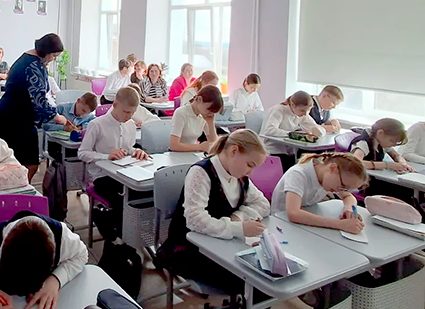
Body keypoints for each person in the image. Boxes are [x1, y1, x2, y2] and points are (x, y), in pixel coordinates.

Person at [158, 130, 270, 293]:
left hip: (221, 243)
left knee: (262, 274)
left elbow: (263, 204)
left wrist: (237, 217)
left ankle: (243, 308)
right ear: (234, 151)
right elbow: (195, 220)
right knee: (253, 280)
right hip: (189, 247)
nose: (251, 172)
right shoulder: (201, 172)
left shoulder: (239, 176)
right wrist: (238, 228)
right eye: (250, 165)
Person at [0, 34, 69, 181]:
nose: (54, 59)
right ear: (46, 51)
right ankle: (17, 189)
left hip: (12, 114)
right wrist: (57, 117)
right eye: (54, 56)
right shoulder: (34, 65)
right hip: (16, 118)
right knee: (29, 163)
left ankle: (13, 188)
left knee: (13, 162)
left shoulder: (26, 59)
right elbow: (39, 100)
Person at [77, 87, 149, 239]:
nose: (129, 116)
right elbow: (82, 153)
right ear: (115, 105)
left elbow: (129, 148)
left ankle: (126, 235)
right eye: (126, 112)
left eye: (132, 113)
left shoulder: (130, 124)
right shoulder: (97, 124)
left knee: (142, 195)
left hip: (124, 173)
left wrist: (136, 151)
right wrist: (106, 156)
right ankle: (120, 238)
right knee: (121, 200)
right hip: (101, 176)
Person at [272, 152, 369, 234]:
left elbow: (348, 197)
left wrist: (349, 209)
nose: (340, 190)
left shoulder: (328, 177)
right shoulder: (298, 174)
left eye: (346, 188)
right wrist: (339, 224)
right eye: (342, 185)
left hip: (304, 225)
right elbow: (294, 213)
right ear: (332, 168)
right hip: (281, 225)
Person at [260, 91, 323, 170]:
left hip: (290, 151)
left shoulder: (302, 114)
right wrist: (293, 134)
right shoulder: (279, 110)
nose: (305, 114)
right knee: (295, 167)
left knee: (312, 160)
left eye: (308, 111)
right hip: (273, 150)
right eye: (302, 110)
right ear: (292, 105)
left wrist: (318, 130)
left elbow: (316, 127)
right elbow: (269, 130)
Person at [170, 85, 223, 153]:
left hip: (193, 153)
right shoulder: (181, 113)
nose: (210, 114)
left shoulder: (203, 115)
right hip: (177, 154)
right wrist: (200, 147)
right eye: (209, 110)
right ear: (199, 99)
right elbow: (174, 145)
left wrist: (211, 123)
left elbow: (214, 143)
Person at [349, 118, 414, 172]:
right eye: (391, 141)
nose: (393, 145)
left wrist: (403, 164)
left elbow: (396, 155)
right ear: (380, 133)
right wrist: (388, 165)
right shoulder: (363, 143)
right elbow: (356, 163)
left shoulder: (381, 142)